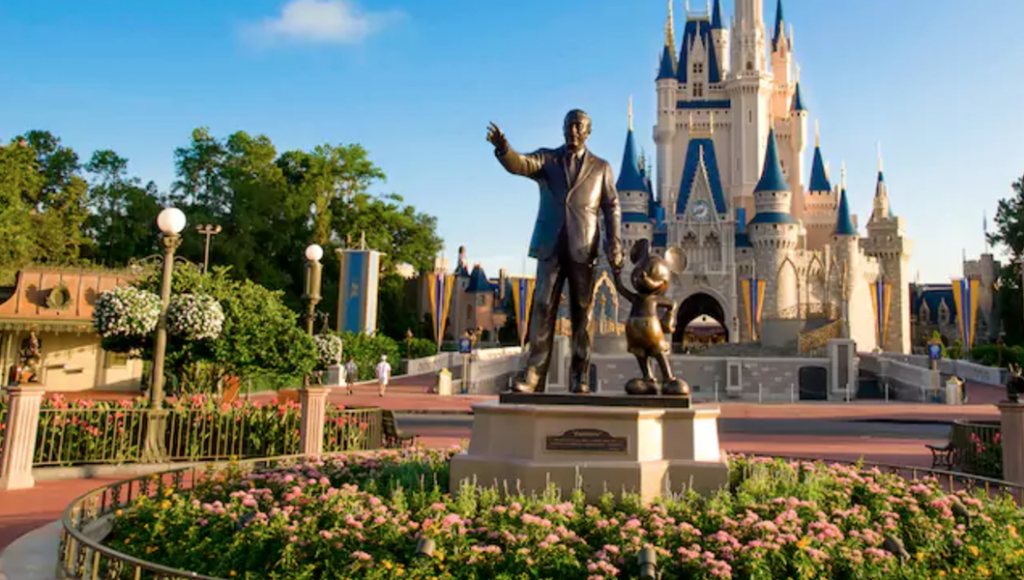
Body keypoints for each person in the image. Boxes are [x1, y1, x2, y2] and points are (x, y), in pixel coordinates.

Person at [487, 110, 624, 394]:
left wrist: (615, 242)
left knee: (582, 313)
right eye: (569, 126)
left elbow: (612, 206)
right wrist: (504, 150)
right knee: (542, 307)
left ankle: (580, 377)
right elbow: (521, 164)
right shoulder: (548, 160)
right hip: (550, 246)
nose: (573, 131)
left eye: (578, 126)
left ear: (588, 131)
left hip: (583, 247)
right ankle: (534, 376)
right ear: (563, 129)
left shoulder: (601, 167)